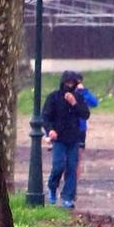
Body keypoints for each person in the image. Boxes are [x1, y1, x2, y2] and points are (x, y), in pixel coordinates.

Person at [43, 70, 89, 209]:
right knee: (58, 165)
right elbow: (46, 116)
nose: (69, 85)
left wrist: (74, 103)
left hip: (73, 137)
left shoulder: (78, 98)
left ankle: (68, 197)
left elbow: (85, 114)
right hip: (59, 138)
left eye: (72, 83)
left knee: (72, 167)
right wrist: (50, 130)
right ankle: (52, 185)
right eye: (67, 83)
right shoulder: (54, 97)